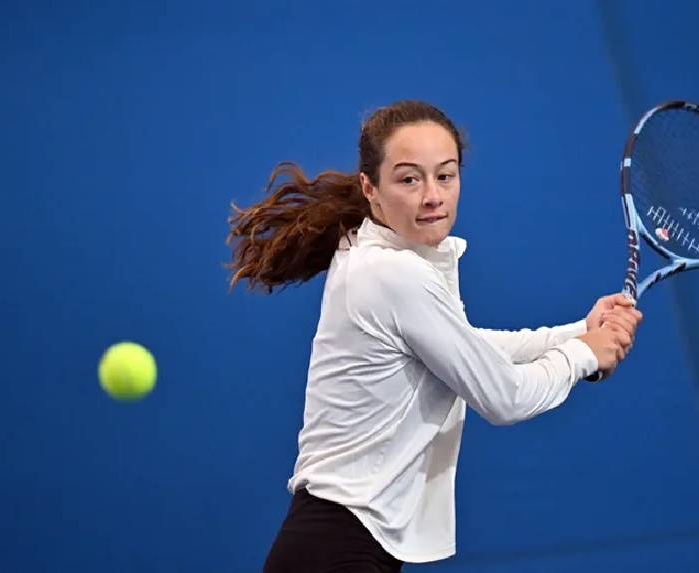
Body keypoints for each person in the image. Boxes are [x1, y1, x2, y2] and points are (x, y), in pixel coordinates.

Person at [226, 100, 642, 572]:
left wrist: (581, 333)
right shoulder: (392, 274)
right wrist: (583, 355)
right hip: (336, 549)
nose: (432, 196)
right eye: (409, 179)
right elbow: (505, 396)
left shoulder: (374, 255)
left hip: (336, 546)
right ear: (370, 187)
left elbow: (467, 348)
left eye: (445, 176)